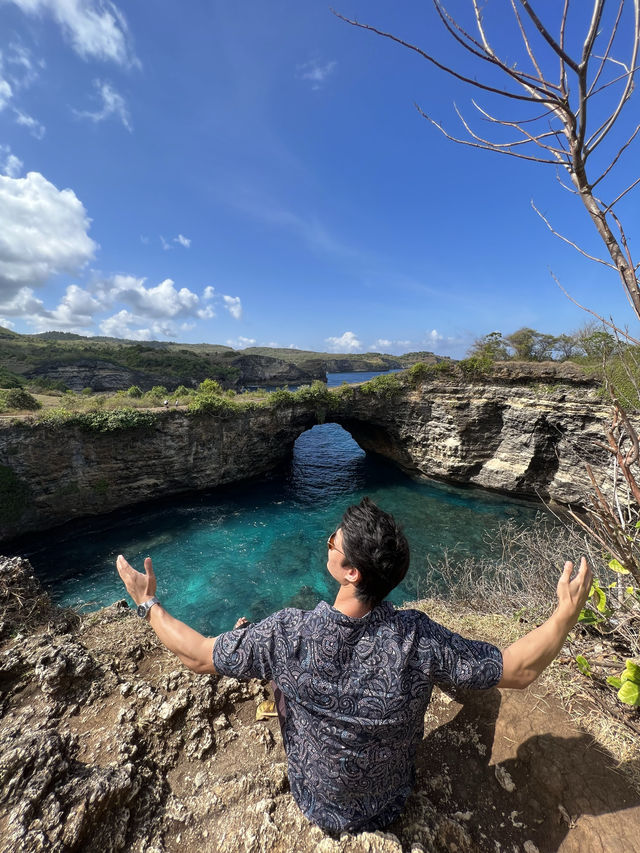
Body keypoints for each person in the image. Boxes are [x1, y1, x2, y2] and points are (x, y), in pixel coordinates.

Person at [116, 497, 592, 835]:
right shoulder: (417, 638)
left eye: (331, 541)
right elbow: (518, 670)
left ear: (351, 571)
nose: (326, 543)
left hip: (315, 803)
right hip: (388, 803)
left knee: (273, 671)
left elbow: (197, 654)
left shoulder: (287, 632)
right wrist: (563, 616)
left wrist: (148, 602)